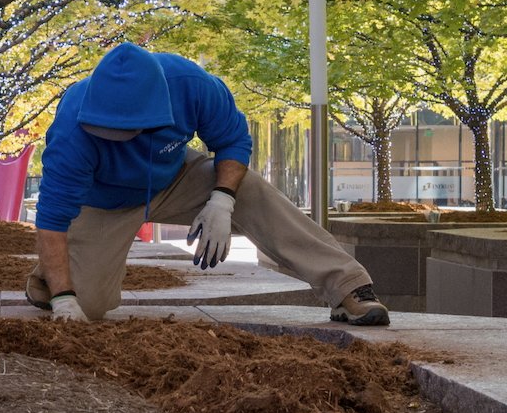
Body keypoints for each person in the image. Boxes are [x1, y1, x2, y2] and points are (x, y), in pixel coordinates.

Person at [26, 42, 390, 327]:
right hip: (102, 199)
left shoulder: (192, 85)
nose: (115, 137)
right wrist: (64, 299)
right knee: (86, 305)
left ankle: (347, 287)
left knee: (250, 189)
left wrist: (221, 200)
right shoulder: (72, 131)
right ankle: (51, 279)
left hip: (173, 176)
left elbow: (233, 142)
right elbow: (52, 219)